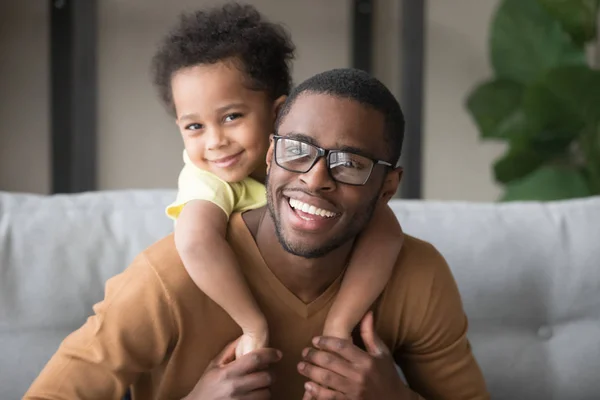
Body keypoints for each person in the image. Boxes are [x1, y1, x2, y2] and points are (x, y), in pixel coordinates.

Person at [24, 66, 490, 399]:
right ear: (269, 156)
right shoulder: (168, 278)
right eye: (297, 150)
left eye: (350, 164)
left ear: (388, 186)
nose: (314, 178)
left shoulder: (417, 275)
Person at [155, 2, 404, 358]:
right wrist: (253, 325)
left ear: (278, 113)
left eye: (231, 117)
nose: (214, 141)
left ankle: (336, 327)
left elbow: (386, 231)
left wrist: (338, 326)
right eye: (194, 126)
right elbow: (196, 244)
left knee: (385, 224)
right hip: (213, 323)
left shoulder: (302, 160)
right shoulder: (207, 179)